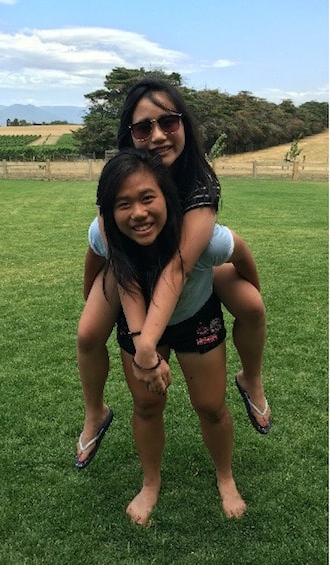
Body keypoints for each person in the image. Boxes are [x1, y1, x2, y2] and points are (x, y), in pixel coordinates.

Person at [75, 77, 270, 469]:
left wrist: (249, 283)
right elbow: (107, 255)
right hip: (130, 276)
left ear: (184, 124)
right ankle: (94, 411)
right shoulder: (117, 182)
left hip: (190, 269)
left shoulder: (199, 182)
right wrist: (136, 337)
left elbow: (182, 266)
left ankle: (252, 379)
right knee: (87, 333)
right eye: (144, 127)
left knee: (253, 305)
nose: (159, 136)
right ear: (129, 135)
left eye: (169, 122)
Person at [93, 148, 251, 523]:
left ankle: (225, 478)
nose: (138, 214)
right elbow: (94, 256)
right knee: (147, 406)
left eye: (148, 198)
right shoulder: (108, 236)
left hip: (195, 316)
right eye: (123, 204)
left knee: (211, 407)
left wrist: (251, 299)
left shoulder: (204, 239)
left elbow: (240, 252)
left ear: (168, 197)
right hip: (139, 325)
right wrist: (93, 300)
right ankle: (150, 483)